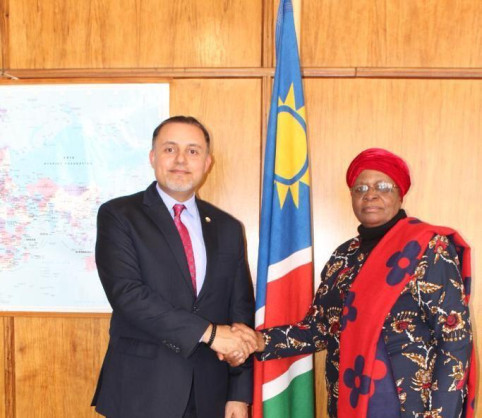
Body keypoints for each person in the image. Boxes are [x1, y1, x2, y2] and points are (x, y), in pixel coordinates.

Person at [231, 148, 476, 418]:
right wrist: (259, 340)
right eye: (360, 188)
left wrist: (440, 414)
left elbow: (454, 337)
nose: (370, 195)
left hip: (410, 405)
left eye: (382, 186)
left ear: (400, 193)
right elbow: (319, 328)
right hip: (349, 400)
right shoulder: (343, 257)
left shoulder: (428, 248)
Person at [92, 115, 256, 418]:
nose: (181, 159)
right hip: (142, 391)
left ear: (207, 163)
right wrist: (208, 333)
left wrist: (239, 393)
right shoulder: (119, 215)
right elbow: (127, 294)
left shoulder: (228, 228)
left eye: (193, 151)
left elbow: (240, 312)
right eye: (170, 149)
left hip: (211, 393)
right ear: (153, 157)